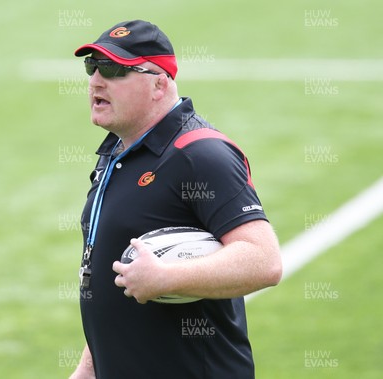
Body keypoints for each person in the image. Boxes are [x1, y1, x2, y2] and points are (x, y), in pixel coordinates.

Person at [69, 20, 282, 379]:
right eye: (92, 67)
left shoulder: (200, 154)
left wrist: (167, 277)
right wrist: (87, 370)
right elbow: (111, 280)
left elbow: (264, 260)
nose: (96, 81)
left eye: (115, 70)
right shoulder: (115, 156)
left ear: (159, 83)